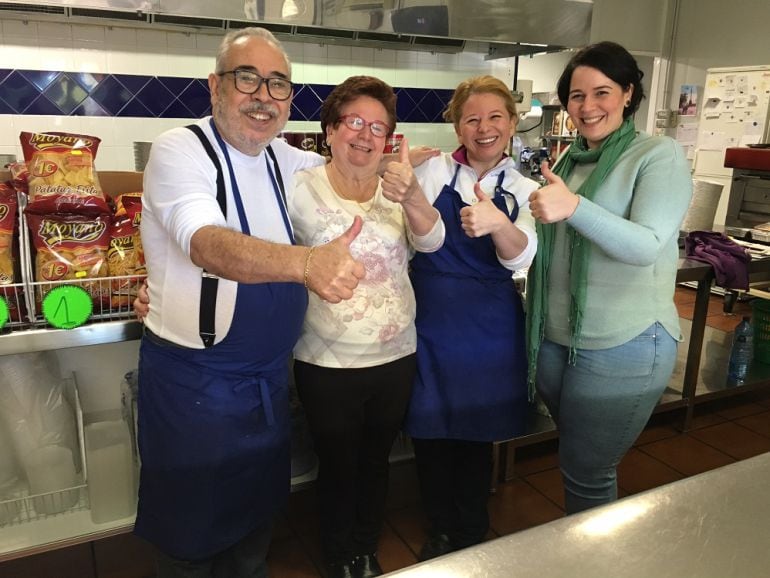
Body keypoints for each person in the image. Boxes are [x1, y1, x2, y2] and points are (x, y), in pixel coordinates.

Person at [134, 27, 366, 578]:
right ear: (215, 86)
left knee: (253, 531)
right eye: (248, 78)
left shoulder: (284, 161)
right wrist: (307, 264)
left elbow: (352, 167)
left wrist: (412, 162)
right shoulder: (180, 150)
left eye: (279, 84)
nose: (264, 96)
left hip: (265, 380)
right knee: (190, 544)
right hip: (196, 386)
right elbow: (206, 245)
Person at [526, 41, 693, 515]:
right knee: (576, 457)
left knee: (588, 470)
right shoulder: (569, 161)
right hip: (559, 342)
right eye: (576, 96)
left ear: (627, 93)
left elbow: (644, 246)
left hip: (625, 343)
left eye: (601, 92)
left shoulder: (656, 155)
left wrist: (575, 208)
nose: (587, 107)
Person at [288, 76, 444, 578]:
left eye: (377, 127)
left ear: (388, 139)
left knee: (376, 460)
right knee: (336, 464)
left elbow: (433, 242)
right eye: (353, 121)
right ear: (329, 130)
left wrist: (414, 194)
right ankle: (337, 555)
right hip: (325, 360)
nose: (364, 134)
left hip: (395, 355)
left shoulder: (397, 187)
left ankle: (365, 547)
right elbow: (264, 252)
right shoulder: (299, 189)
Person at [402, 75, 539, 559]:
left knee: (476, 434)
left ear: (512, 122)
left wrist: (501, 225)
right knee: (430, 429)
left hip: (490, 325)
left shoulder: (525, 188)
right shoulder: (431, 169)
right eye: (472, 118)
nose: (484, 128)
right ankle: (439, 526)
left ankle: (470, 527)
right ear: (457, 126)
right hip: (429, 317)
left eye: (495, 117)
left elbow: (520, 257)